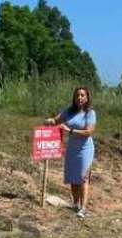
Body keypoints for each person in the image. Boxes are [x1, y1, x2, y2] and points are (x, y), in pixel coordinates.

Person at [44, 87, 97, 219]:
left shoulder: (90, 113)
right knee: (74, 177)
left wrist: (70, 130)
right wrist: (50, 121)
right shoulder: (69, 111)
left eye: (82, 95)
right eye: (77, 95)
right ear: (74, 98)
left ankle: (83, 209)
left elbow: (89, 132)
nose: (80, 98)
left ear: (87, 97)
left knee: (83, 177)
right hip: (72, 148)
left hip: (85, 149)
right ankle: (76, 204)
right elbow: (57, 120)